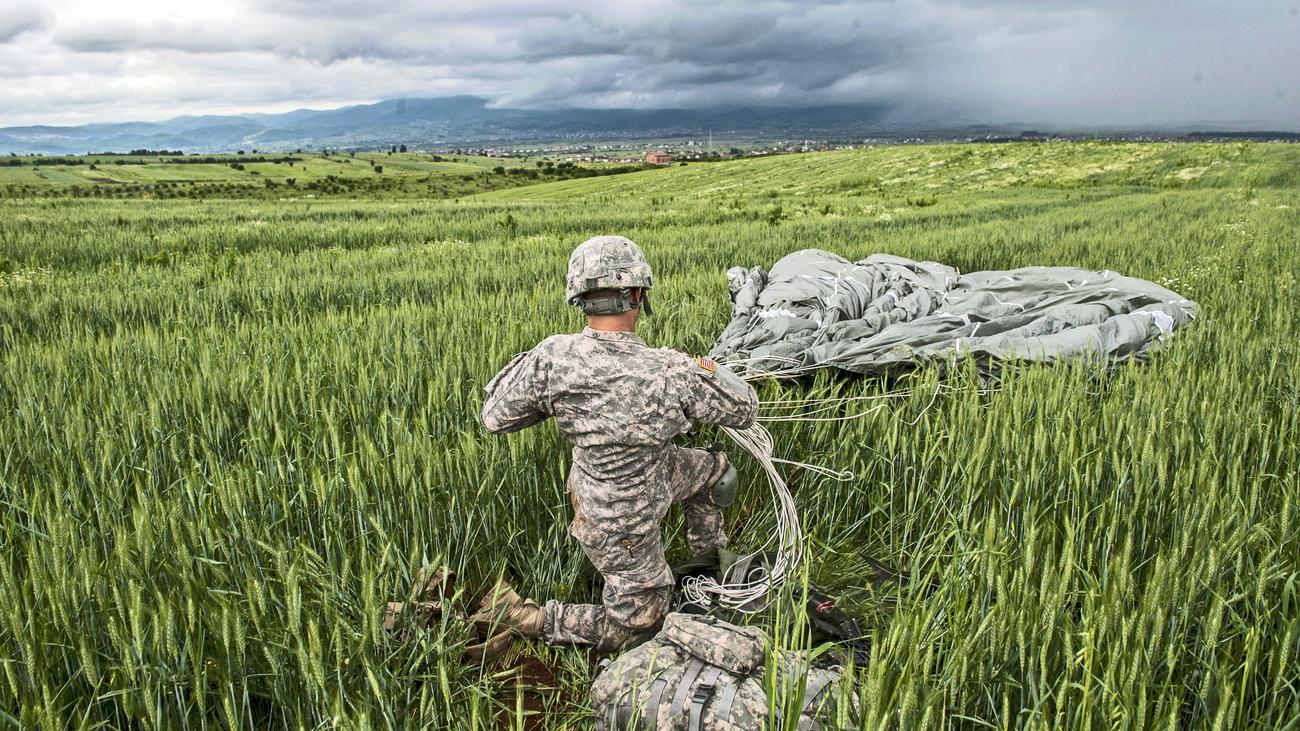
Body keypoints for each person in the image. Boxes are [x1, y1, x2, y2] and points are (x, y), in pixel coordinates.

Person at [474, 235, 758, 651]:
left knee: (715, 472)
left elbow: (495, 417)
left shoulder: (554, 356)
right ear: (638, 295)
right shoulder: (670, 369)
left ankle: (706, 564)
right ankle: (528, 617)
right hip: (621, 518)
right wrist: (703, 367)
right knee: (640, 627)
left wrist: (557, 398)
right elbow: (745, 407)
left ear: (580, 298)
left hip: (627, 479)